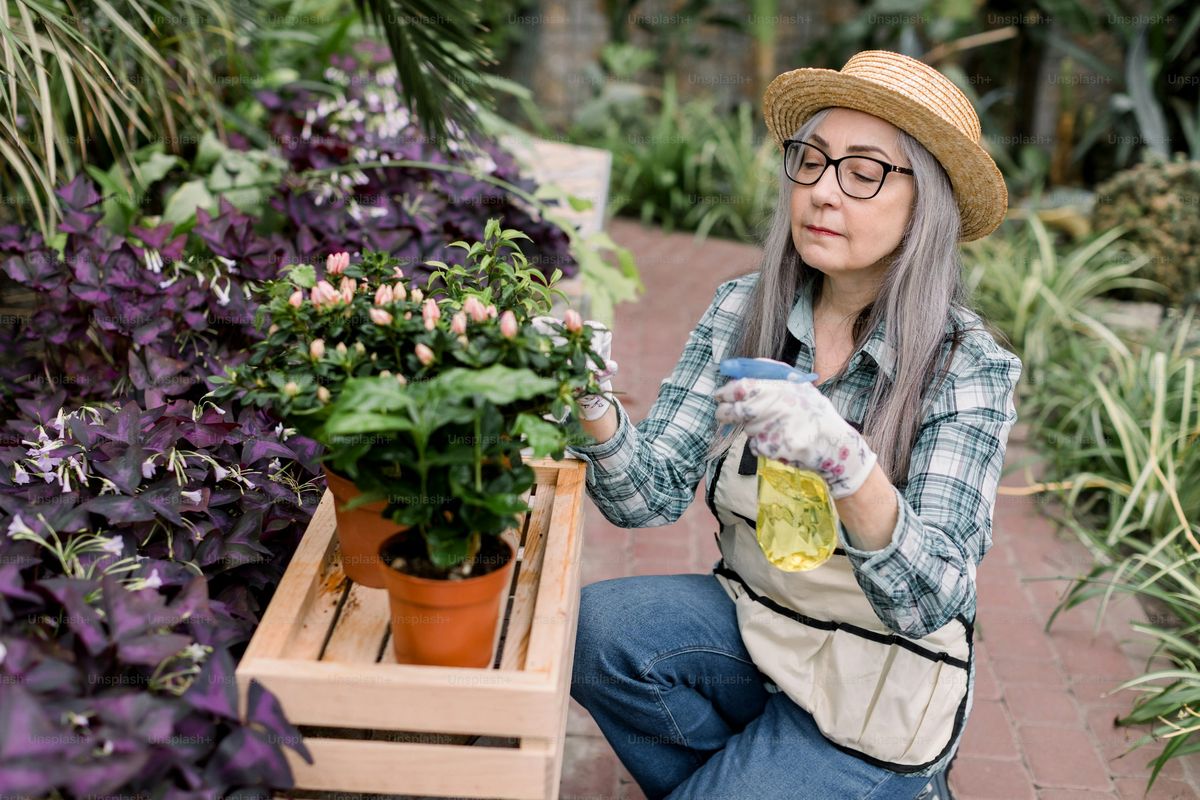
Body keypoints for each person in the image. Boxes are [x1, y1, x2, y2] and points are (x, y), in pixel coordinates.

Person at [560, 51, 1022, 800]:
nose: (823, 192)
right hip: (762, 628)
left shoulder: (966, 367)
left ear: (925, 203)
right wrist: (590, 401)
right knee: (596, 633)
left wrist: (849, 467)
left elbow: (931, 596)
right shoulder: (743, 311)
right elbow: (647, 498)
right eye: (811, 161)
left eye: (864, 171)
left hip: (878, 697)